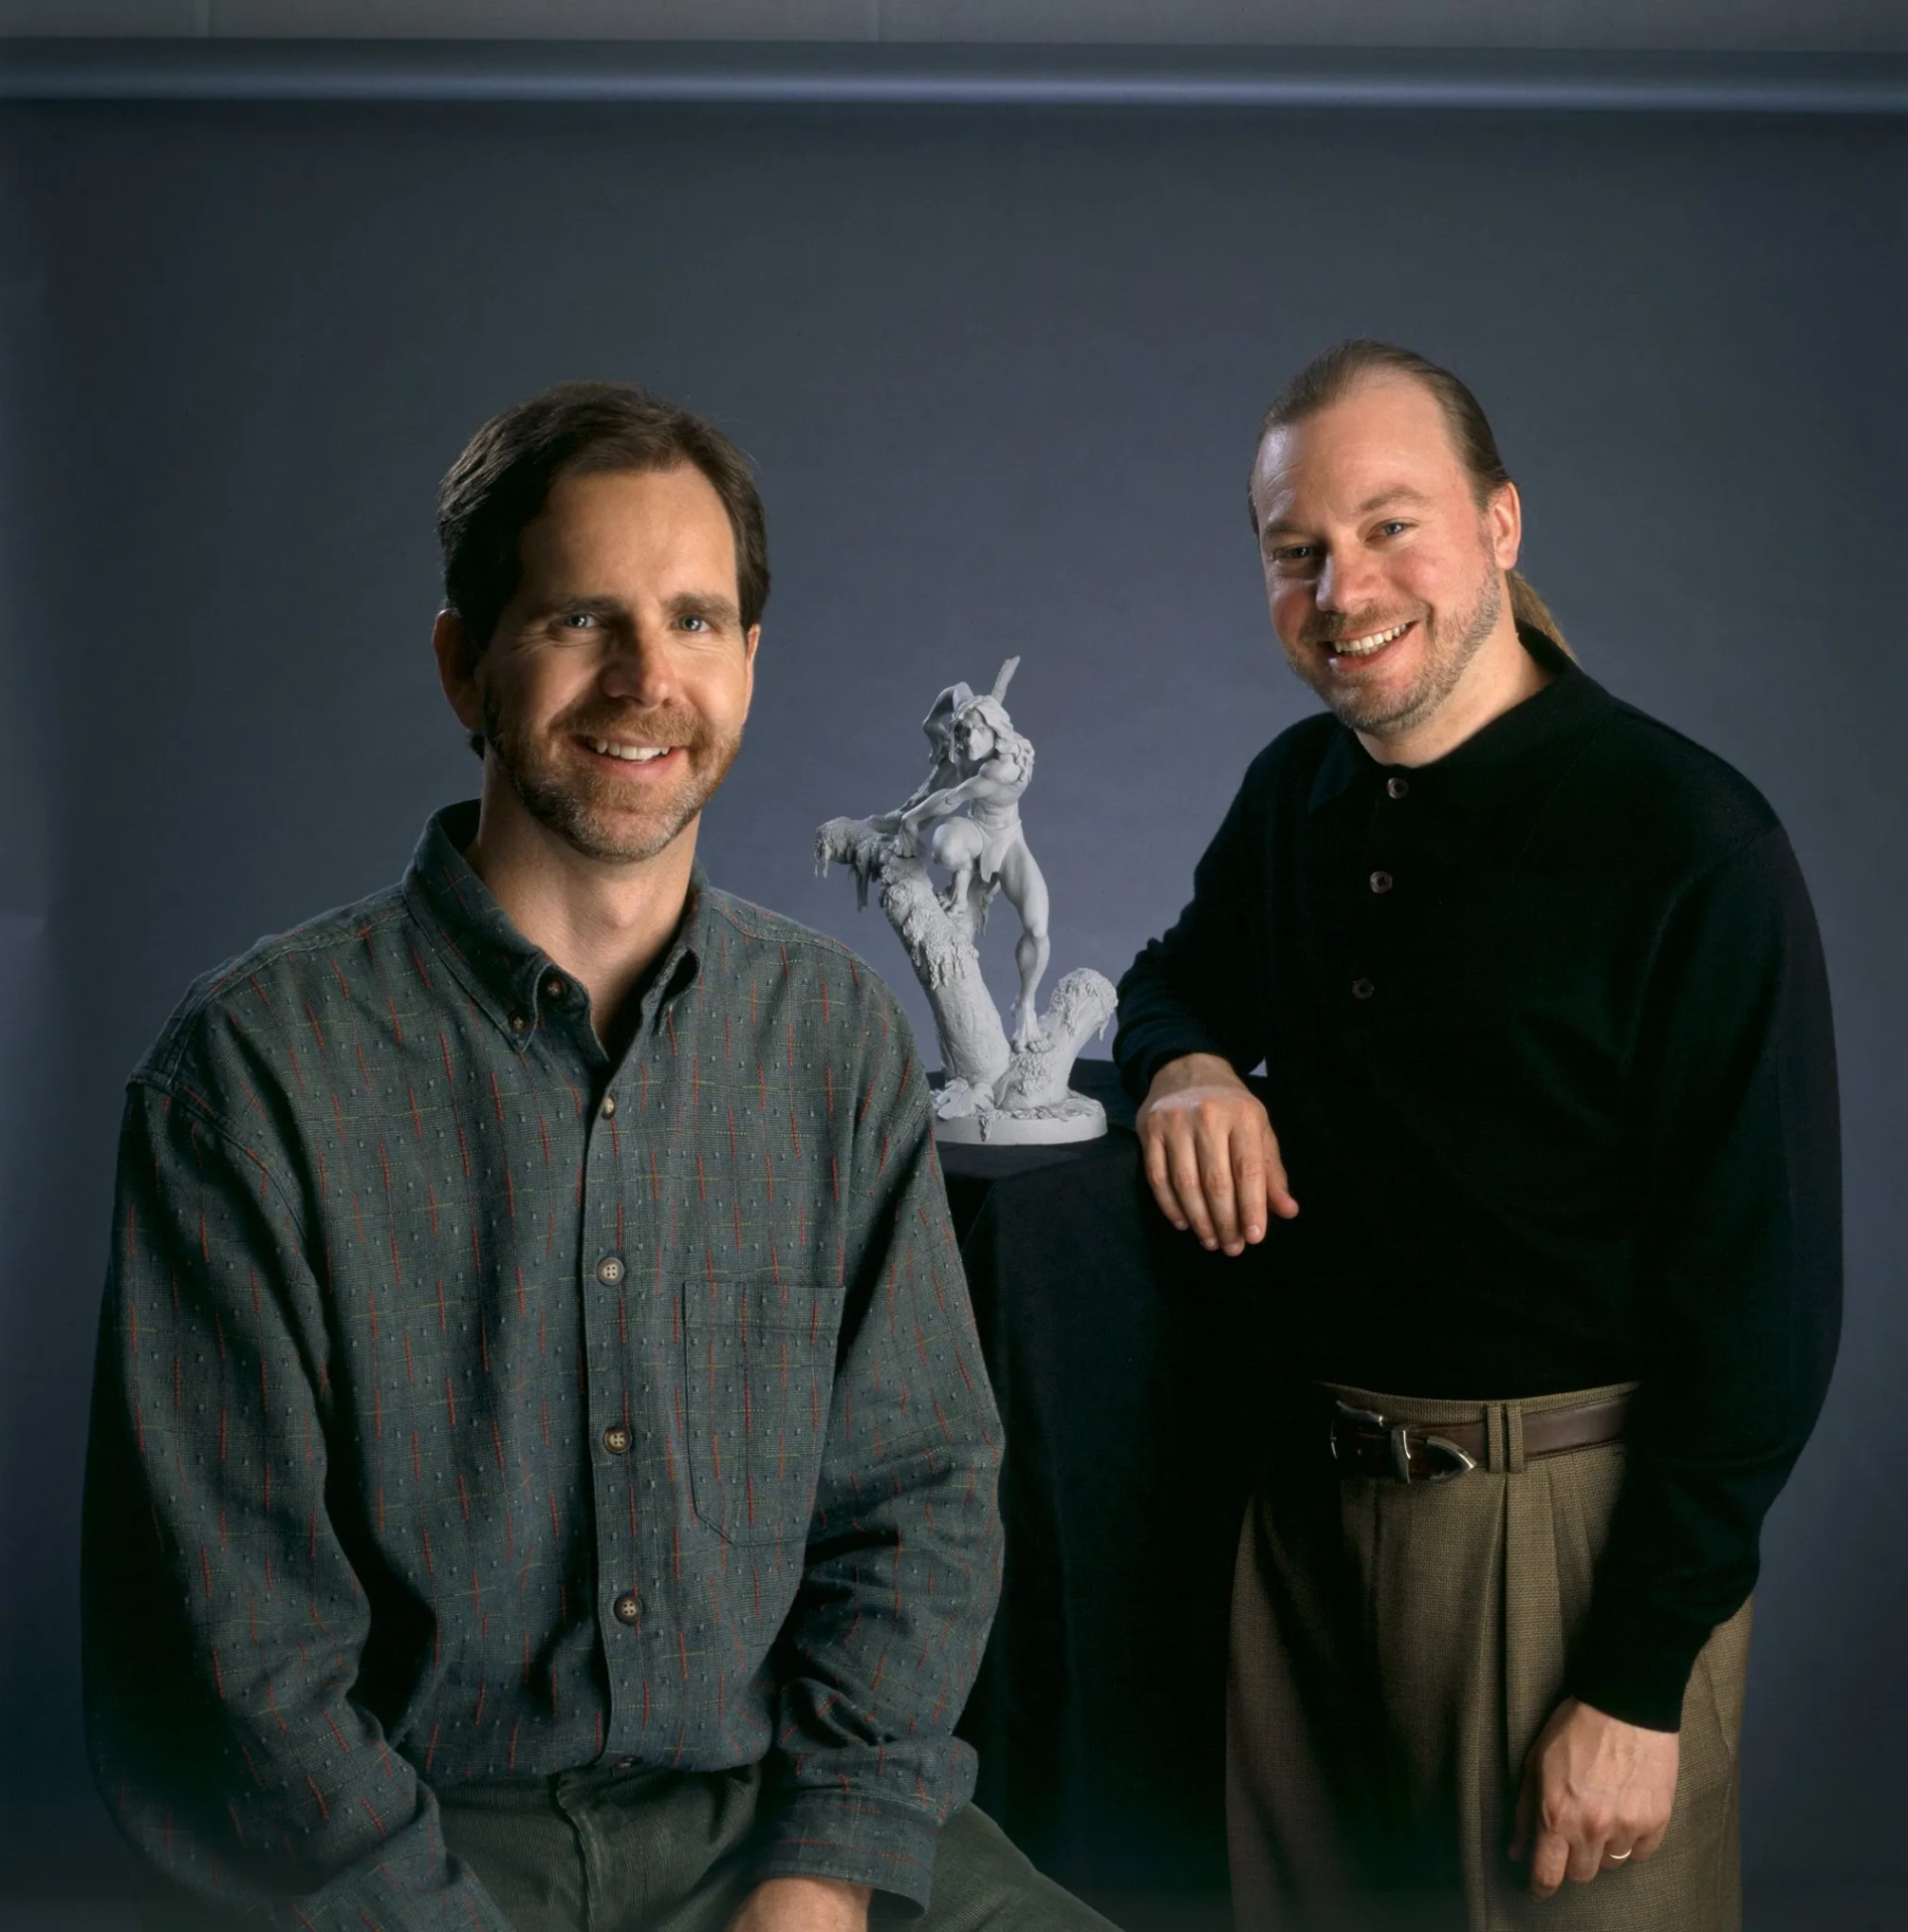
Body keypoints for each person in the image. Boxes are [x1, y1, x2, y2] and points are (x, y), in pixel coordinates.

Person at [82, 380, 1111, 1932]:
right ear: (463, 668)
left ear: (750, 668)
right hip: (405, 1853)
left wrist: (825, 1880)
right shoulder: (250, 1079)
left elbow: (917, 1503)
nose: (647, 678)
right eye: (580, 619)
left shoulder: (829, 1043)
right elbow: (234, 1655)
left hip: (772, 1832)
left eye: (696, 622)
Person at [1113, 341, 1839, 1931]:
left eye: (1390, 526)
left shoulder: (1688, 842)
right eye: (1294, 550)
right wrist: (1185, 1072)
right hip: (1300, 1537)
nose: (1340, 585)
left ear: (1503, 525)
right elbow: (1174, 977)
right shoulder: (1296, 790)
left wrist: (1637, 1684)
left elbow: (1768, 1319)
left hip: (1563, 1554)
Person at [896, 667, 1051, 1047]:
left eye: (973, 732)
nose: (963, 739)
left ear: (995, 733)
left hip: (1008, 838)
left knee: (1037, 927)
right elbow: (956, 689)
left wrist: (910, 819)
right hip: (976, 830)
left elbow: (954, 797)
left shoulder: (1005, 764)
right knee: (945, 847)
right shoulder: (968, 718)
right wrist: (931, 723)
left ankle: (1026, 1004)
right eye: (960, 731)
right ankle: (963, 876)